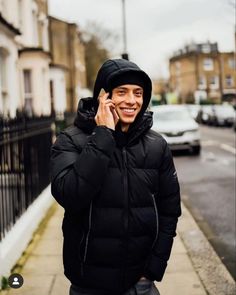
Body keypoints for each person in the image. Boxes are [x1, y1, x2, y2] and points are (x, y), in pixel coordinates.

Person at [50, 59, 181, 295]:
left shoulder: (157, 146)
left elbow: (169, 211)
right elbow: (70, 195)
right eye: (122, 92)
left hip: (141, 283)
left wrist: (153, 269)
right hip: (88, 284)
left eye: (138, 93)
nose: (132, 100)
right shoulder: (70, 140)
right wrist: (103, 134)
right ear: (103, 96)